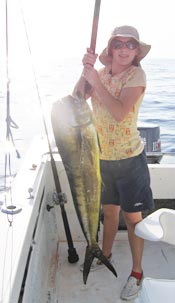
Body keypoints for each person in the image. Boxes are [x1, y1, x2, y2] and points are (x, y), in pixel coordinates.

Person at [72, 25, 154, 301]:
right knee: (108, 213)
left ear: (136, 51)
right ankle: (103, 254)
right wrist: (86, 70)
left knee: (132, 219)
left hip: (130, 160)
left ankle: (137, 272)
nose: (124, 49)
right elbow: (77, 98)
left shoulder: (136, 75)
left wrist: (95, 81)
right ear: (111, 49)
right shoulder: (101, 74)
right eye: (118, 44)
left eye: (130, 44)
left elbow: (119, 113)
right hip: (101, 159)